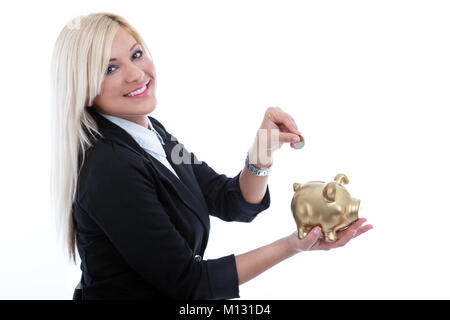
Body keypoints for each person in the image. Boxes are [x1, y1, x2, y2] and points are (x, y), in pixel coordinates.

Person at [50, 12, 372, 300]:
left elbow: (228, 198)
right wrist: (293, 245)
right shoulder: (110, 168)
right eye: (110, 68)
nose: (136, 74)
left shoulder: (154, 135)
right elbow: (191, 284)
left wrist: (261, 153)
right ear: (85, 89)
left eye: (136, 54)